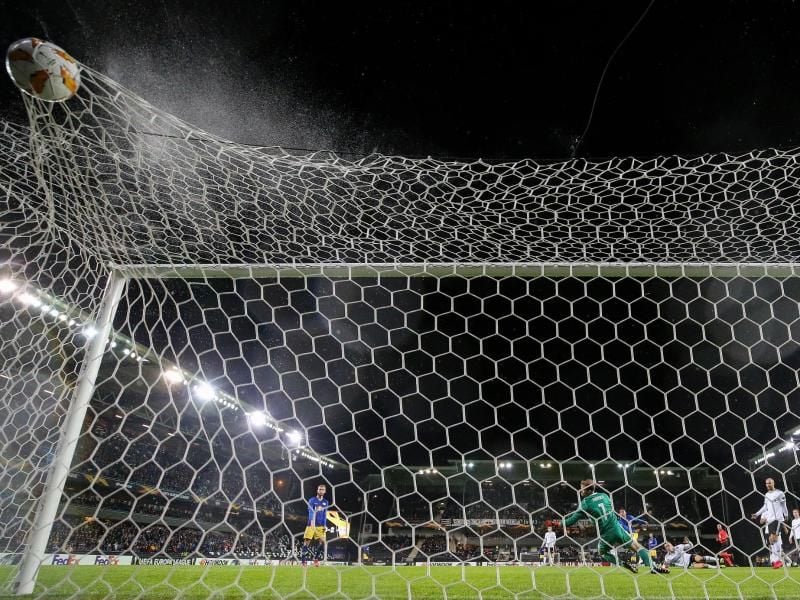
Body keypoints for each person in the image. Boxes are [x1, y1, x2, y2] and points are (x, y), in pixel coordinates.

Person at [562, 479, 668, 575]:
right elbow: (609, 510)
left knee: (602, 552)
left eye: (582, 489)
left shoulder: (584, 504)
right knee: (638, 547)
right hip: (617, 528)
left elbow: (571, 521)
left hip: (605, 534)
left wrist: (559, 523)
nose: (580, 491)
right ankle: (652, 567)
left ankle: (623, 563)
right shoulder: (605, 496)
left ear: (588, 491)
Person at [751, 477, 789, 568]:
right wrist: (757, 514)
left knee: (774, 538)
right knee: (772, 541)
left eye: (769, 483)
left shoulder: (780, 493)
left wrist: (786, 515)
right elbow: (765, 507)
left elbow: (784, 505)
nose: (768, 485)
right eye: (766, 483)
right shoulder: (767, 494)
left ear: (773, 483)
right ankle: (777, 560)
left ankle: (778, 560)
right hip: (770, 520)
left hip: (777, 519)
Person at [302, 483, 329, 566]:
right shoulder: (312, 500)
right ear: (317, 490)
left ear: (325, 491)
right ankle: (304, 561)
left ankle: (316, 559)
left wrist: (325, 525)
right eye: (319, 489)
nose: (321, 491)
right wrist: (312, 521)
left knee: (323, 542)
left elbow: (325, 514)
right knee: (307, 542)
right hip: (311, 525)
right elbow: (310, 511)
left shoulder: (326, 502)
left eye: (322, 489)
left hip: (320, 526)